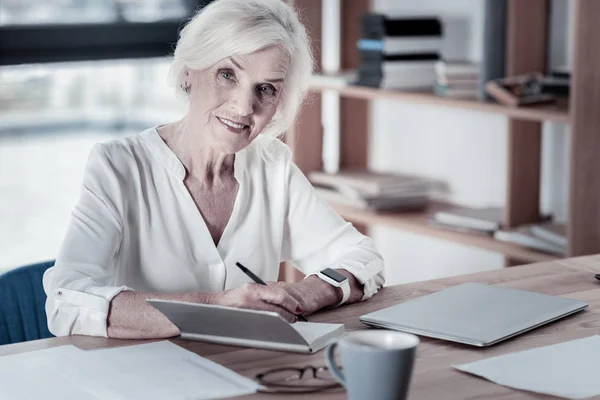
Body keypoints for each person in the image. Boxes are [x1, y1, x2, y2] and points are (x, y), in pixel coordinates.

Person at [43, 0, 385, 340]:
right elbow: (67, 302)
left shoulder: (272, 165)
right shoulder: (119, 166)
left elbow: (363, 257)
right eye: (227, 75)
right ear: (190, 72)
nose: (243, 107)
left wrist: (308, 292)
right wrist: (215, 306)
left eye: (265, 89)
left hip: (249, 372)